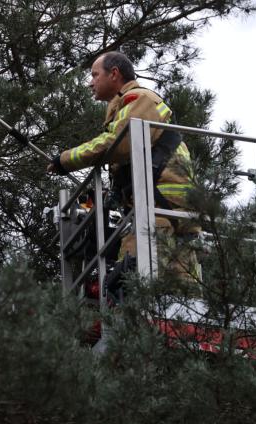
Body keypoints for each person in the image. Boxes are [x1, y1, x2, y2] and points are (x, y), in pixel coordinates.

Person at [47, 51, 200, 285]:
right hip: (170, 208)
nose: (90, 83)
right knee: (179, 292)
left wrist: (65, 160)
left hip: (159, 208)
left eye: (95, 75)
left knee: (131, 282)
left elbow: (119, 142)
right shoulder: (132, 105)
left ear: (114, 74)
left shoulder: (140, 99)